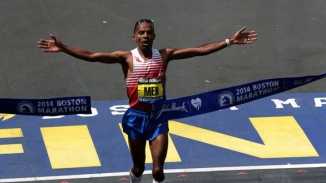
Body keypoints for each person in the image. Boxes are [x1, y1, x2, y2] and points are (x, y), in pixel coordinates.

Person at [37, 19, 257, 183]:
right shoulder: (126, 58)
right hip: (135, 118)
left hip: (159, 117)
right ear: (134, 37)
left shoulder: (165, 55)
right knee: (139, 167)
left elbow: (199, 50)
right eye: (141, 32)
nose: (145, 36)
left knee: (157, 171)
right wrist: (64, 48)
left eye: (149, 32)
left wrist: (230, 41)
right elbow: (93, 56)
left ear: (154, 36)